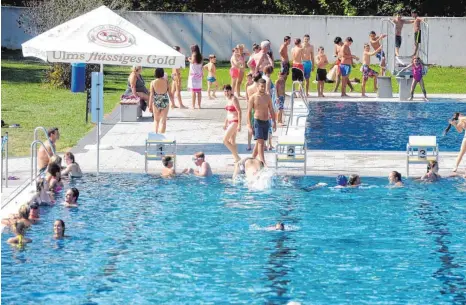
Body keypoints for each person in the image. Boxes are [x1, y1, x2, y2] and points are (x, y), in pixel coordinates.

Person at [247, 79, 276, 165]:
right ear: (258, 86)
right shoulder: (253, 97)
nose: (263, 88)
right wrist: (249, 125)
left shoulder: (268, 97)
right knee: (261, 143)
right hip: (257, 121)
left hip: (266, 122)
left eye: (264, 86)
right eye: (261, 86)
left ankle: (252, 158)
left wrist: (274, 121)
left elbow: (271, 109)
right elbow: (248, 112)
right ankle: (263, 161)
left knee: (259, 142)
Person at [223, 84, 242, 163]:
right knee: (232, 141)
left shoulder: (234, 99)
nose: (226, 93)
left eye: (227, 91)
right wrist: (225, 123)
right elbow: (228, 112)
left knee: (225, 141)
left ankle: (237, 157)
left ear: (231, 91)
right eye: (225, 91)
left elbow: (239, 111)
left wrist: (240, 124)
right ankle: (236, 158)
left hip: (235, 121)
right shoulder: (227, 99)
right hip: (230, 121)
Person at [150, 68, 170, 133]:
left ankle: (156, 135)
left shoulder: (153, 82)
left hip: (157, 100)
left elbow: (151, 95)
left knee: (156, 120)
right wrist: (173, 102)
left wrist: (150, 105)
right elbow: (170, 93)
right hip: (164, 100)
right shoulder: (166, 81)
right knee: (163, 121)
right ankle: (162, 136)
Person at [246, 73, 262, 151]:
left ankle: (249, 145)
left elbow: (248, 99)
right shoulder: (260, 88)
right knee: (261, 126)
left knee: (250, 126)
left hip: (251, 108)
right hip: (259, 108)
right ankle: (263, 144)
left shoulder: (249, 88)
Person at [262, 65, 276, 151]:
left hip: (263, 102)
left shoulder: (262, 77)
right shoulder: (268, 79)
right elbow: (267, 91)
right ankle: (269, 144)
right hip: (268, 103)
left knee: (264, 123)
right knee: (269, 124)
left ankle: (265, 144)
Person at [187, 44, 203, 109]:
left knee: (193, 91)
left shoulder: (193, 55)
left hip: (193, 75)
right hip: (199, 75)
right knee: (199, 91)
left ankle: (193, 105)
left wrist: (188, 59)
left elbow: (193, 62)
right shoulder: (201, 56)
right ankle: (199, 105)